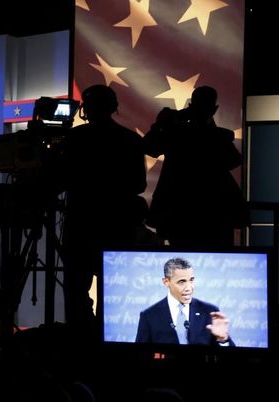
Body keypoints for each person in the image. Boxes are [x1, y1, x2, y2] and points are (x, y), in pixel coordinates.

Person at [59, 84, 147, 330]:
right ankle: (108, 342)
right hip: (118, 226)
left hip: (81, 225)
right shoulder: (130, 139)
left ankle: (83, 338)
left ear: (86, 108)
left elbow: (60, 177)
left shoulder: (75, 139)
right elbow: (139, 184)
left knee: (76, 290)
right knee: (115, 292)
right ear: (114, 107)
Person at [144, 85, 248, 247]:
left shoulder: (176, 133)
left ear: (191, 105)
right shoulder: (218, 136)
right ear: (214, 109)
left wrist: (161, 124)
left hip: (177, 209)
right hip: (215, 209)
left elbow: (150, 147)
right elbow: (233, 161)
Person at [135, 257, 234, 346]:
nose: (189, 288)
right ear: (166, 282)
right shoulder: (149, 316)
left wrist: (223, 339)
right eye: (182, 282)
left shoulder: (209, 311)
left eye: (191, 280)